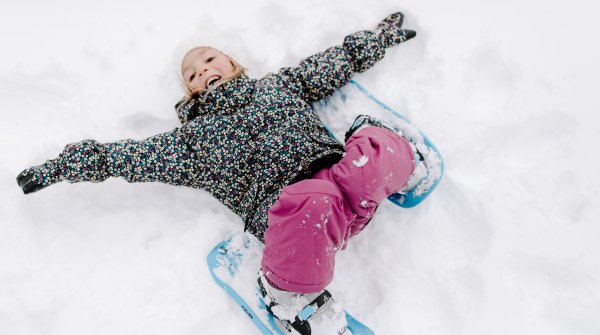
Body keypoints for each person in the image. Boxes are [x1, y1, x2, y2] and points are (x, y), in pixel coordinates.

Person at [17, 12, 422, 335]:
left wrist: (376, 40)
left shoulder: (278, 86)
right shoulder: (192, 142)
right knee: (310, 201)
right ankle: (286, 295)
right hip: (295, 217)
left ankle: (402, 161)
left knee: (372, 154)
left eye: (209, 58)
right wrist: (64, 166)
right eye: (191, 74)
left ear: (232, 61)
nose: (203, 70)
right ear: (190, 92)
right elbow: (127, 157)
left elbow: (332, 64)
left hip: (342, 181)